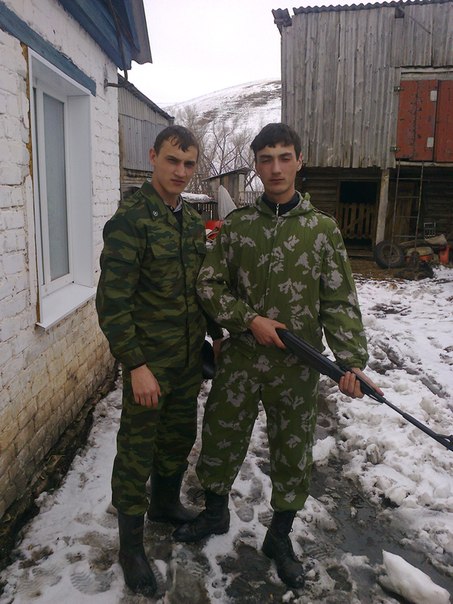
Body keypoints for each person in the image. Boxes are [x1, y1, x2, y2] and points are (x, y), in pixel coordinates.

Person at [173, 123, 381, 589]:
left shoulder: (322, 230)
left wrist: (351, 361)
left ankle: (280, 537)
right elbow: (209, 284)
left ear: (299, 162)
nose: (275, 168)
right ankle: (215, 513)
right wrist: (249, 320)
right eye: (266, 159)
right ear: (256, 165)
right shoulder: (238, 226)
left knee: (292, 452)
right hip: (241, 361)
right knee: (221, 437)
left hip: (295, 369)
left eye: (285, 157)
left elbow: (339, 301)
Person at [96, 125, 221, 597]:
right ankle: (130, 548)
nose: (180, 172)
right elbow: (112, 302)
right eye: (172, 160)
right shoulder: (131, 220)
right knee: (137, 452)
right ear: (153, 157)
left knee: (178, 438)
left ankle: (164, 505)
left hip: (186, 360)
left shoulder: (189, 221)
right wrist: (135, 365)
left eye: (189, 164)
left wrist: (215, 334)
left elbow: (199, 288)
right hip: (149, 364)